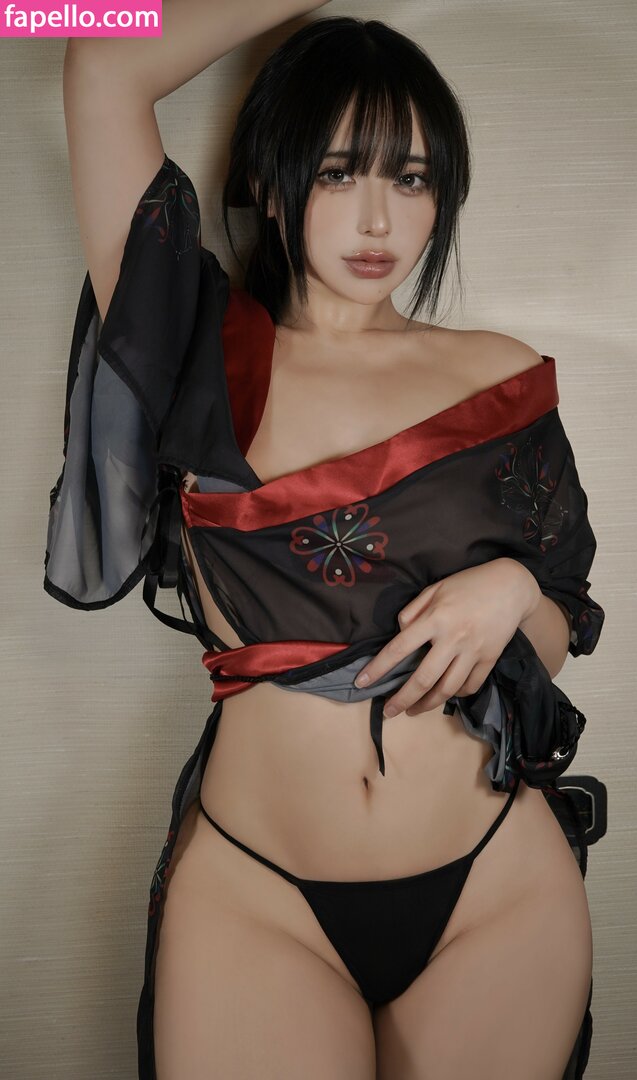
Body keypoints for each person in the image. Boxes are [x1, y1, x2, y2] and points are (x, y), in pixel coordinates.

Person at [46, 3, 605, 1077]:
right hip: (261, 893)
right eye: (340, 171)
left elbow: (558, 630)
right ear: (270, 177)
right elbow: (93, 56)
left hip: (496, 884)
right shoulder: (197, 346)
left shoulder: (501, 375)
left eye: (413, 178)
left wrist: (508, 591)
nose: (379, 218)